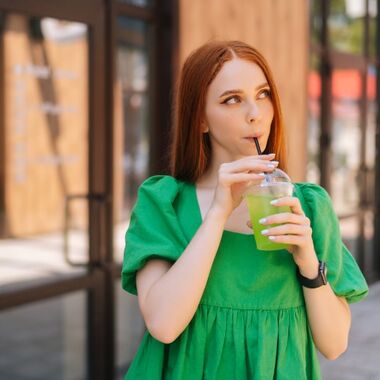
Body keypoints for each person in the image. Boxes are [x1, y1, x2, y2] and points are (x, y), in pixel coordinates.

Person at [121, 40, 368, 379]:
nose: (255, 112)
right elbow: (164, 325)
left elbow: (335, 344)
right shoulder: (164, 202)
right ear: (200, 120)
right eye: (232, 99)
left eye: (263, 94)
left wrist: (308, 262)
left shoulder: (309, 205)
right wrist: (218, 213)